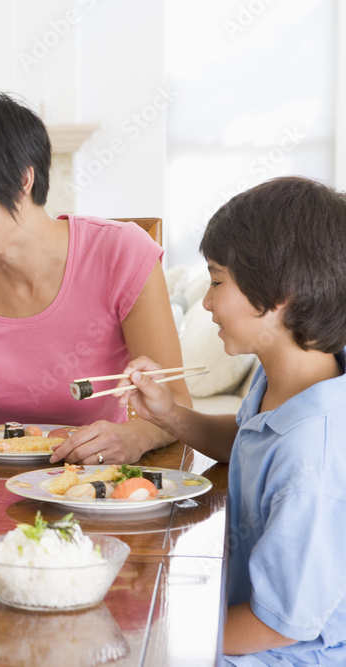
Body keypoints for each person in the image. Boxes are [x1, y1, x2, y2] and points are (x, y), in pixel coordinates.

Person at [116, 176, 346, 664]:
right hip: (252, 615)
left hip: (286, 651)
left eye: (217, 281)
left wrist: (165, 631)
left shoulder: (313, 457)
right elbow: (247, 438)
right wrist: (171, 415)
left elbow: (277, 625)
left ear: (279, 294)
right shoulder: (291, 377)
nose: (206, 302)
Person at [0, 90, 191, 464]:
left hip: (84, 482)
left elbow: (176, 407)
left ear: (21, 179)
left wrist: (135, 437)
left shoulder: (120, 253)